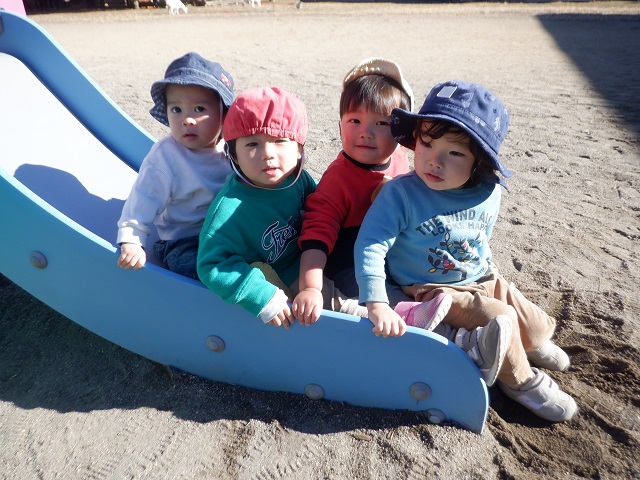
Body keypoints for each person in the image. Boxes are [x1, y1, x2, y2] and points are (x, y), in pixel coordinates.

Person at [355, 80, 577, 422]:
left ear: (478, 163)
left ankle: (526, 344)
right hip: (431, 289)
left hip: (481, 276)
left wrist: (490, 278)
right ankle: (520, 381)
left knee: (535, 328)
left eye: (455, 153)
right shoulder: (400, 195)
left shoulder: (489, 192)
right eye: (427, 143)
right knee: (498, 318)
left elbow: (480, 238)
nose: (434, 160)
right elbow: (370, 245)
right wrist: (376, 302)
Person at [292, 57, 452, 327]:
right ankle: (416, 320)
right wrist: (310, 288)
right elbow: (316, 236)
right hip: (350, 264)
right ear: (340, 126)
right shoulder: (338, 179)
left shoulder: (400, 159)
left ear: (401, 133)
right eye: (355, 120)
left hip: (393, 254)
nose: (366, 132)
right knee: (382, 296)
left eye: (381, 123)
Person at [197, 86, 367, 329]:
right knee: (331, 302)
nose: (267, 154)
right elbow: (210, 264)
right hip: (278, 276)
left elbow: (320, 211)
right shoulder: (228, 211)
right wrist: (262, 295)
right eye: (252, 144)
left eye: (279, 141)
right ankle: (363, 316)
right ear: (233, 154)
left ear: (298, 149)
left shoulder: (297, 180)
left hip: (311, 257)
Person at [116, 52, 235, 279]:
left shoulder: (232, 149)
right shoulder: (166, 157)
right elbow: (142, 199)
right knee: (197, 268)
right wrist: (132, 240)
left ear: (224, 114)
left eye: (199, 109)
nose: (186, 119)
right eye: (176, 110)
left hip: (225, 232)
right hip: (184, 240)